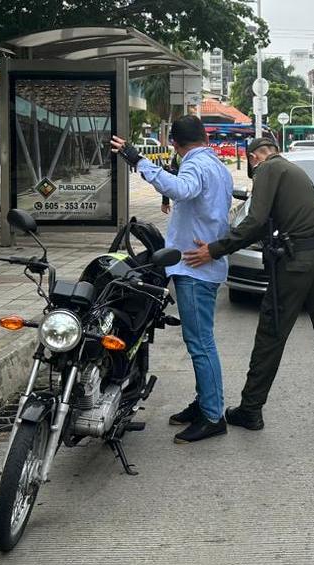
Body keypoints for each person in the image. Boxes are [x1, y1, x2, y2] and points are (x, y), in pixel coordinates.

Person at [182, 137, 314, 430]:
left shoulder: (268, 170)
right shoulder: (295, 171)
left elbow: (254, 220)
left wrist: (214, 250)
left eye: (251, 165)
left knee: (271, 334)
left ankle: (250, 409)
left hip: (297, 263)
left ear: (255, 157)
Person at [110, 115, 233, 444]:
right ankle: (206, 403)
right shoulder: (217, 166)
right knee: (201, 343)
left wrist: (139, 161)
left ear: (176, 145)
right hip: (202, 264)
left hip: (195, 268)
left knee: (200, 344)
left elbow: (181, 188)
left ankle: (212, 415)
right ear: (205, 136)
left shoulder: (195, 165)